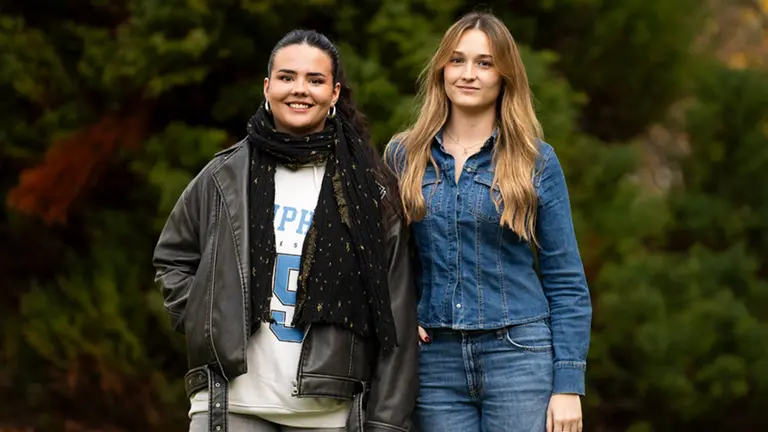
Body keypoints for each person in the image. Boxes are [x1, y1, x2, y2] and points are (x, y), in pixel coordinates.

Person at [153, 29, 419, 432]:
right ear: (267, 86)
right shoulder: (223, 177)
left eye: (315, 80)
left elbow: (397, 314)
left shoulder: (370, 190)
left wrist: (387, 423)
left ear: (334, 94)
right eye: (287, 77)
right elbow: (173, 258)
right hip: (231, 405)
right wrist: (208, 319)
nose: (300, 90)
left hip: (326, 415)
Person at [385, 12, 592, 432]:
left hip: (519, 355)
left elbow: (566, 279)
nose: (468, 74)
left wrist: (568, 384)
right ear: (441, 69)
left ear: (505, 76)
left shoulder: (535, 160)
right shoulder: (403, 156)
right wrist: (403, 315)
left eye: (484, 62)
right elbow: (388, 261)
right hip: (435, 361)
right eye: (457, 60)